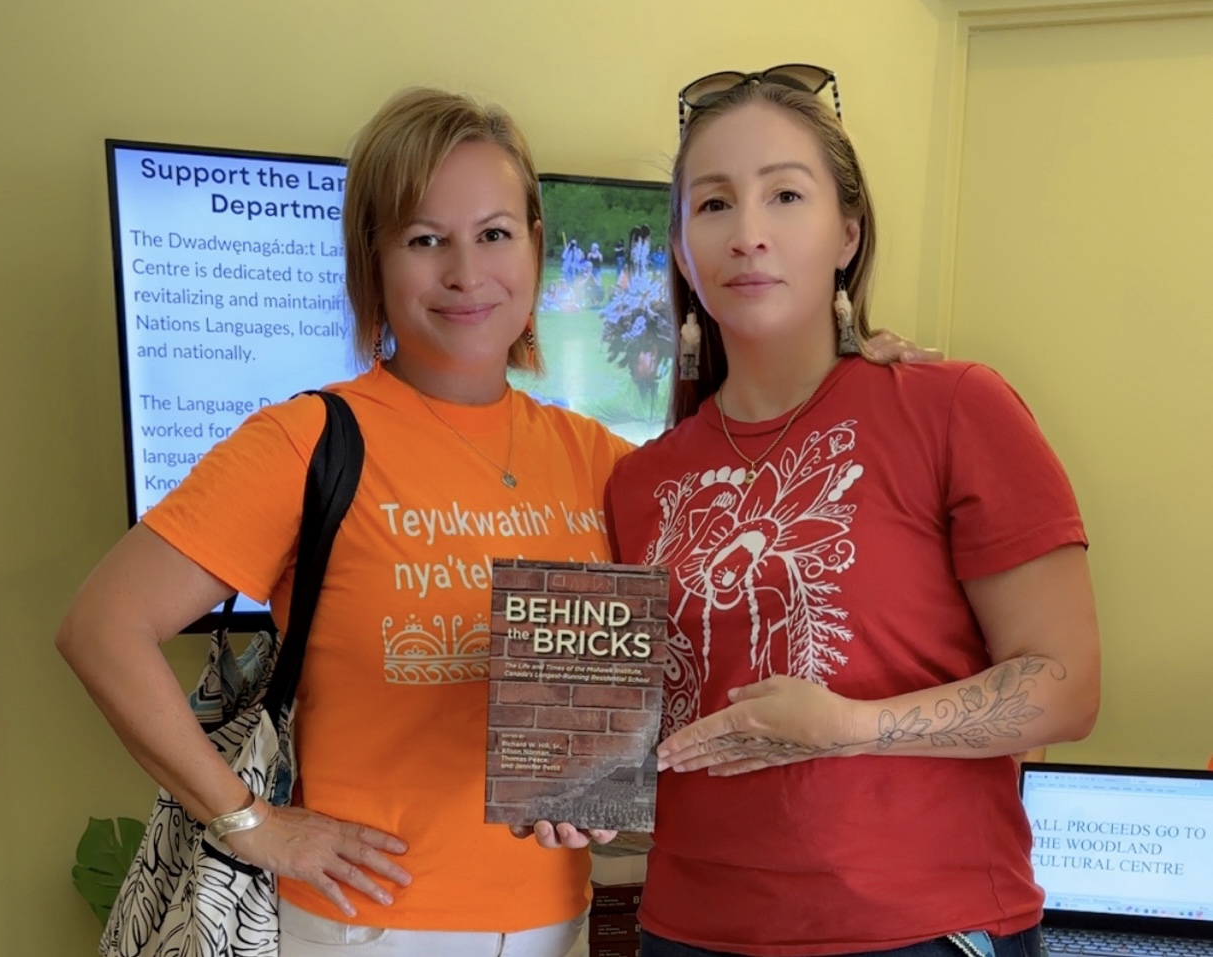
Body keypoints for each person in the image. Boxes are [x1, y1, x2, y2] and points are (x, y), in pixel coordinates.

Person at [56, 86, 935, 957]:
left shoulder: (602, 459)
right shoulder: (309, 439)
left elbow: (728, 567)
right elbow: (103, 628)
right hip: (363, 925)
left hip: (558, 914)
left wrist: (848, 374)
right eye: (424, 239)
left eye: (494, 234)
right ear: (374, 259)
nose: (466, 274)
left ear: (536, 247)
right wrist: (252, 824)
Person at [603, 73, 1101, 957]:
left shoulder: (954, 408)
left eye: (786, 194)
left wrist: (853, 726)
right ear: (681, 248)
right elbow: (664, 742)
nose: (749, 232)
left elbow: (1065, 685)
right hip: (687, 930)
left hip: (919, 929)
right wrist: (584, 798)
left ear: (848, 232)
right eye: (714, 203)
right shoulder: (638, 481)